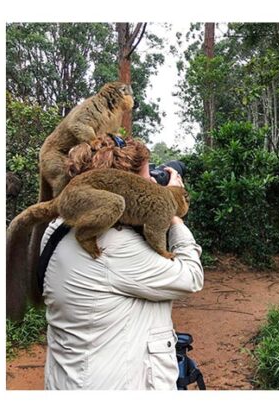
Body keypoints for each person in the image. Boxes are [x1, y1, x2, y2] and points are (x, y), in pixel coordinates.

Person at [42, 135, 204, 389]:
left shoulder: (58, 225)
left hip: (72, 379)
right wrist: (173, 213)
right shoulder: (115, 246)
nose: (153, 183)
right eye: (146, 177)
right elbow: (191, 278)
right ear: (123, 184)